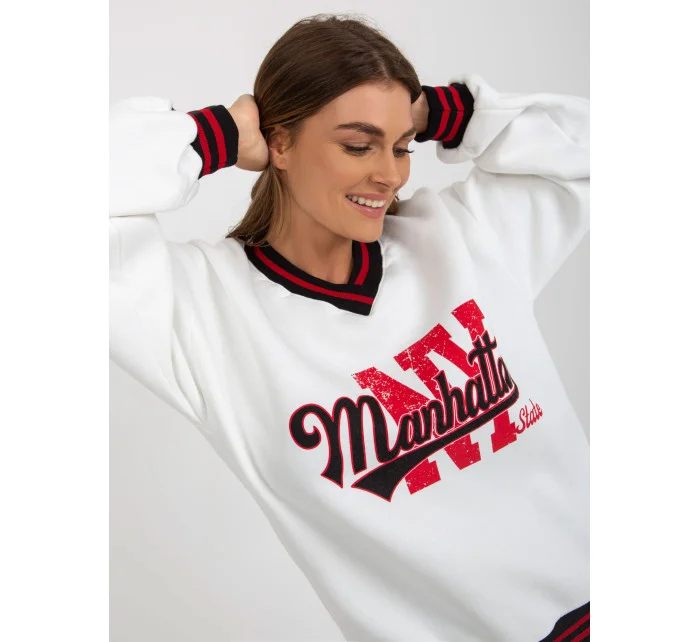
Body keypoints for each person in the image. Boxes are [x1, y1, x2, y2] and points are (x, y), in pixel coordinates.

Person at [110, 12, 589, 642]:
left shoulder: (469, 235)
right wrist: (218, 134)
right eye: (358, 146)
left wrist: (438, 112)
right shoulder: (203, 313)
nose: (390, 174)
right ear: (279, 144)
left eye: (402, 146)